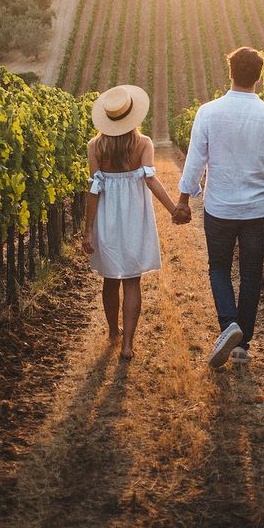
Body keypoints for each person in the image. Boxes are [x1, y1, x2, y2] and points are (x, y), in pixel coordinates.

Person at [174, 47, 264, 368]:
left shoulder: (208, 112)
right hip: (258, 211)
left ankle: (229, 325)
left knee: (219, 267)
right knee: (252, 273)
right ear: (259, 77)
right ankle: (242, 346)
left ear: (230, 73)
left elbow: (196, 159)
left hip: (220, 207)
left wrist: (185, 199)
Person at [82, 84, 185, 359]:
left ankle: (113, 332)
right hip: (135, 218)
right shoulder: (143, 143)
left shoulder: (95, 146)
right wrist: (174, 208)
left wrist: (88, 230)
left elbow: (94, 190)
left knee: (109, 280)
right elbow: (151, 180)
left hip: (107, 218)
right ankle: (127, 344)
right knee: (132, 281)